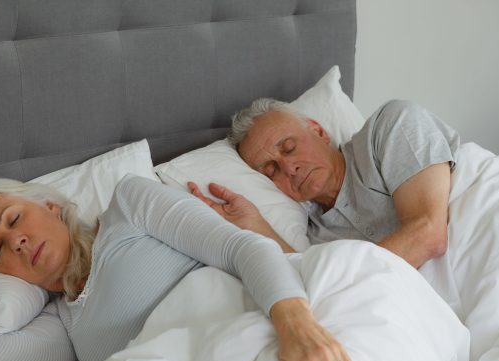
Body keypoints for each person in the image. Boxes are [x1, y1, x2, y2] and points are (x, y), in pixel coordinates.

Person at [0, 175, 363, 361]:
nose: (15, 242)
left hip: (263, 327)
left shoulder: (128, 206)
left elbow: (241, 247)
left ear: (50, 206)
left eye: (12, 219)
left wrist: (297, 326)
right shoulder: (64, 327)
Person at [188, 99, 459, 270]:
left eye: (289, 147)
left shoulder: (389, 126)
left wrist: (340, 284)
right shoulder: (314, 238)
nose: (289, 168)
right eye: (271, 171)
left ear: (318, 131)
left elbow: (429, 234)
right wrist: (258, 227)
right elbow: (307, 292)